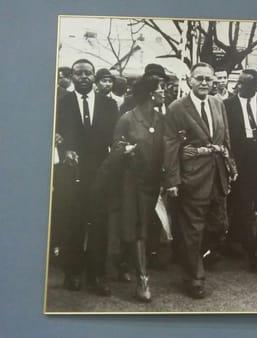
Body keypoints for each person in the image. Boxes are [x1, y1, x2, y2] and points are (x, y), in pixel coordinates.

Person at [163, 62, 236, 299]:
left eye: (208, 79)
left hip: (217, 176)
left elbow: (226, 139)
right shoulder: (177, 108)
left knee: (218, 225)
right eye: (199, 79)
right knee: (193, 228)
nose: (204, 83)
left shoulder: (218, 103)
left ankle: (193, 256)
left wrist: (230, 165)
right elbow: (170, 145)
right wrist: (172, 180)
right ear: (189, 81)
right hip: (192, 178)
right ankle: (194, 277)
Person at [55, 59, 119, 296]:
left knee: (99, 225)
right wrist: (63, 148)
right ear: (72, 77)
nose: (83, 77)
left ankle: (97, 276)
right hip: (71, 175)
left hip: (100, 175)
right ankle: (72, 273)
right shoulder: (62, 103)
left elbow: (115, 139)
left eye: (88, 73)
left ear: (94, 77)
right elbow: (55, 134)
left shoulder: (109, 105)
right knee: (74, 223)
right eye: (78, 73)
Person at [109, 76, 166, 302]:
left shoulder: (162, 118)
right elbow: (115, 148)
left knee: (144, 227)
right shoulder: (127, 119)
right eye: (161, 89)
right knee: (138, 226)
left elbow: (167, 145)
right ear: (151, 94)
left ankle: (124, 263)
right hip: (131, 181)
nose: (164, 92)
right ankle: (143, 280)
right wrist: (125, 150)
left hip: (153, 182)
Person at [223, 69, 257, 271]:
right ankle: (251, 250)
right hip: (239, 161)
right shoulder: (227, 106)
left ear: (256, 86)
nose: (239, 87)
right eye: (239, 83)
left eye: (245, 84)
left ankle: (238, 240)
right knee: (243, 203)